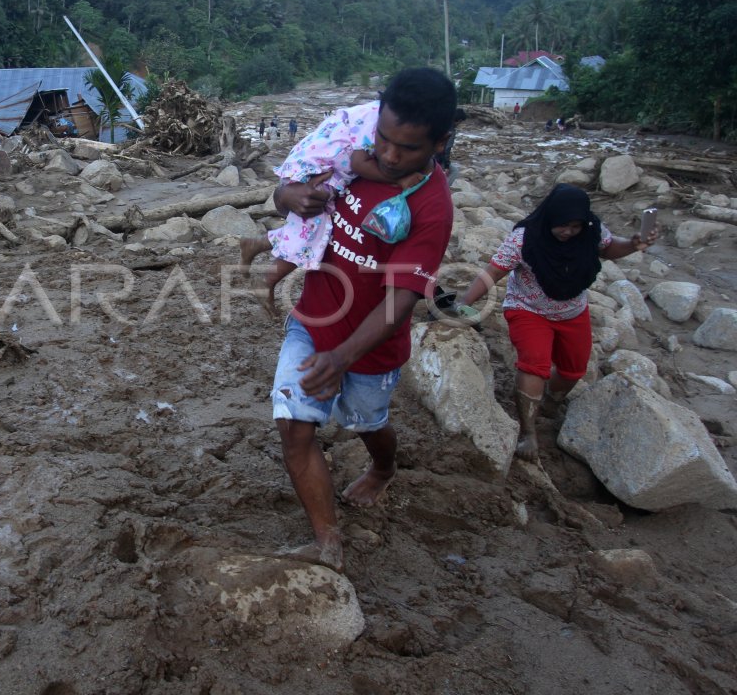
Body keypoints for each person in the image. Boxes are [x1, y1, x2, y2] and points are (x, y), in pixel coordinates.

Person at [269, 67, 457, 572]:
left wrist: (343, 357)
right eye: (384, 140)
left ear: (439, 142)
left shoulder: (431, 207)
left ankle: (383, 465)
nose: (390, 157)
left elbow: (400, 304)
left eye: (408, 149)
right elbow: (290, 191)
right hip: (312, 320)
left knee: (365, 421)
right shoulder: (356, 155)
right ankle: (327, 543)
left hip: (371, 349)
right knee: (294, 428)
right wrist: (288, 196)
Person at [454, 184, 656, 461]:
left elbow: (608, 249)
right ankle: (528, 433)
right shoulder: (524, 239)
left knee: (573, 370)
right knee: (534, 365)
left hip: (572, 311)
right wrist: (463, 303)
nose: (568, 232)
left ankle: (550, 403)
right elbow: (493, 272)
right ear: (549, 218)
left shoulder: (591, 232)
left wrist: (633, 245)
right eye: (562, 225)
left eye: (575, 226)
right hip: (528, 309)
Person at [238, 107, 426, 315]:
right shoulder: (380, 119)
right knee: (312, 230)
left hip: (319, 161)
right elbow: (359, 162)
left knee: (316, 230)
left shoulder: (377, 111)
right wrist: (398, 178)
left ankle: (258, 244)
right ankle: (268, 279)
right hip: (320, 169)